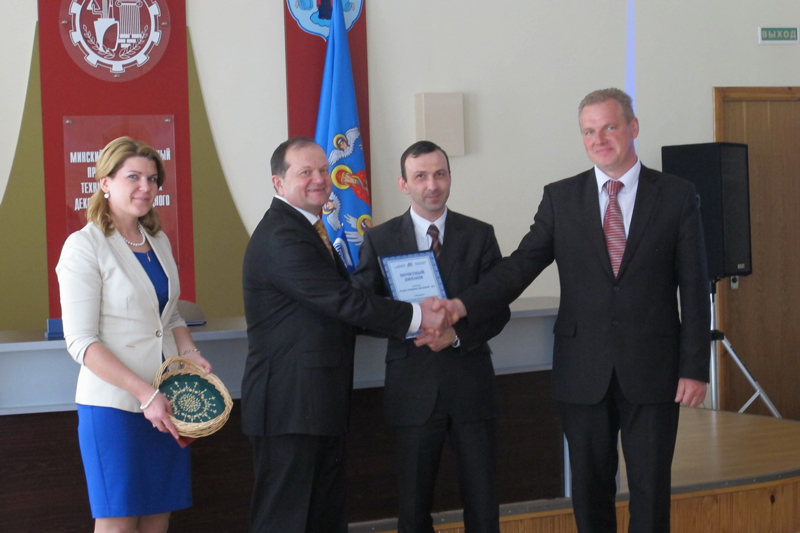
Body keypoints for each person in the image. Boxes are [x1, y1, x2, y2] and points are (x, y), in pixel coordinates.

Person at [438, 89, 710, 533]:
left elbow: (695, 288)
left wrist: (695, 368)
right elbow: (521, 266)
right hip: (582, 371)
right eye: (588, 131)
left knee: (650, 491)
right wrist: (462, 304)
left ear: (633, 127)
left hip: (654, 370)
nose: (598, 139)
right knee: (589, 490)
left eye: (609, 127)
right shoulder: (561, 198)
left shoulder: (677, 196)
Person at [241, 137, 449, 533]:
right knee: (286, 521)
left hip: (314, 405)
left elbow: (342, 308)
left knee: (321, 518)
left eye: (323, 170)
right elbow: (341, 301)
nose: (320, 179)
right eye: (305, 172)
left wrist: (410, 318)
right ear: (278, 182)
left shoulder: (309, 229)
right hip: (290, 407)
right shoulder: (282, 236)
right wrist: (418, 315)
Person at [351, 141, 510, 533]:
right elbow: (361, 310)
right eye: (420, 176)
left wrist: (455, 334)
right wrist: (411, 322)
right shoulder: (380, 239)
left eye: (439, 174)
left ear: (450, 177)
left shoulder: (480, 234)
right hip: (412, 390)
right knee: (414, 507)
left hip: (471, 387)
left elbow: (498, 308)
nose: (432, 185)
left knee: (483, 504)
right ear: (404, 184)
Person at [56, 137, 211, 533]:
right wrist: (145, 395)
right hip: (116, 408)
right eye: (134, 177)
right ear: (105, 182)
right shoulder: (83, 246)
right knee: (119, 522)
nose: (146, 187)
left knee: (158, 517)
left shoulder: (157, 240)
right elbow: (81, 342)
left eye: (153, 179)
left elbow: (169, 314)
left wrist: (189, 352)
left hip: (167, 402)